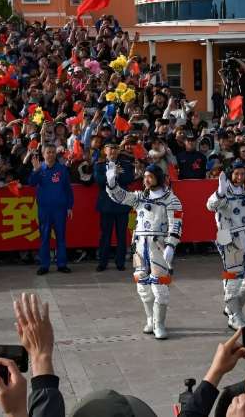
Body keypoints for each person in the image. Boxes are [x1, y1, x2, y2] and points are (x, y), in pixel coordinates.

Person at [106, 163, 182, 339]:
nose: (146, 180)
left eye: (150, 177)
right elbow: (121, 196)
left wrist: (171, 245)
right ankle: (150, 319)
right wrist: (112, 183)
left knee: (160, 287)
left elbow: (176, 224)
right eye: (145, 176)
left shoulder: (171, 199)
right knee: (142, 285)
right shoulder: (139, 197)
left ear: (159, 178)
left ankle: (159, 323)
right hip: (139, 246)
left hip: (158, 246)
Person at [206, 162, 245, 329]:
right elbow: (210, 206)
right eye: (236, 174)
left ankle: (234, 309)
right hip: (227, 236)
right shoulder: (223, 192)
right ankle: (234, 316)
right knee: (233, 280)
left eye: (242, 174)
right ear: (230, 174)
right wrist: (220, 192)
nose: (240, 177)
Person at [29, 144, 74, 275]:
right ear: (43, 154)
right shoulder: (40, 168)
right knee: (44, 237)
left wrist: (69, 206)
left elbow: (68, 190)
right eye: (48, 152)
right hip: (45, 210)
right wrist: (35, 170)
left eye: (53, 152)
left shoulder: (62, 169)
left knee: (61, 237)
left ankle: (61, 264)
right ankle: (44, 265)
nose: (51, 154)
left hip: (60, 210)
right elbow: (31, 183)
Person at [93, 141, 134, 272]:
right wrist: (111, 174)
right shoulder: (99, 165)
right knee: (105, 235)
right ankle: (103, 262)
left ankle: (120, 262)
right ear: (105, 150)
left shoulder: (126, 164)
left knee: (121, 235)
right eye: (110, 148)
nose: (113, 151)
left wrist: (118, 174)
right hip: (106, 206)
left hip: (122, 205)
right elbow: (99, 181)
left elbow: (129, 179)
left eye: (115, 148)